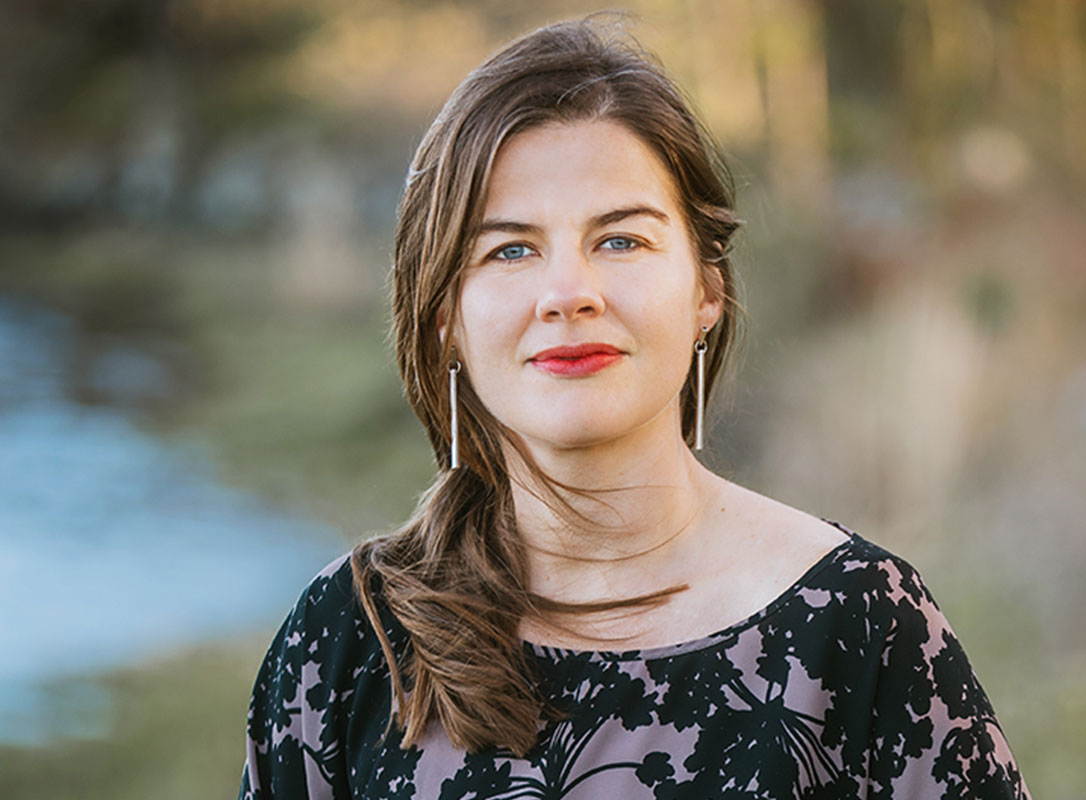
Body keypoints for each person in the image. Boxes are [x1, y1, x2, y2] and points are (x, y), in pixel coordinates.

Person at [240, 18, 1030, 800]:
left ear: (706, 292)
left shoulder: (862, 628)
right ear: (446, 317)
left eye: (620, 241)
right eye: (509, 250)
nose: (567, 295)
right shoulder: (348, 641)